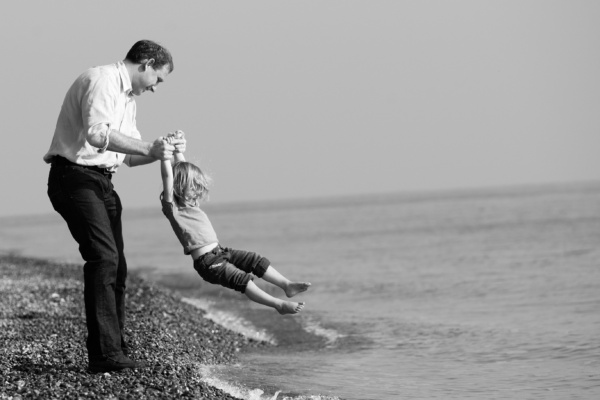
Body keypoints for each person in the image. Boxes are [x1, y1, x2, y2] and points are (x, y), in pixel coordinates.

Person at [44, 40, 186, 373]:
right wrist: (150, 146)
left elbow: (131, 157)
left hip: (102, 181)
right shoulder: (102, 80)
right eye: (158, 79)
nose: (156, 88)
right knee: (103, 258)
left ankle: (116, 346)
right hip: (73, 178)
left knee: (117, 266)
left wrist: (162, 149)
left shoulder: (128, 99)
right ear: (147, 63)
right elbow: (97, 134)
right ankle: (104, 356)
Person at [160, 132, 310, 314]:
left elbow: (180, 168)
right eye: (193, 186)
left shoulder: (192, 203)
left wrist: (176, 148)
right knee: (243, 280)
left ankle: (286, 285)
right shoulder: (174, 209)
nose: (197, 190)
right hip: (207, 263)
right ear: (180, 187)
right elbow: (169, 177)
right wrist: (164, 155)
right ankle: (278, 305)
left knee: (255, 260)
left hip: (221, 252)